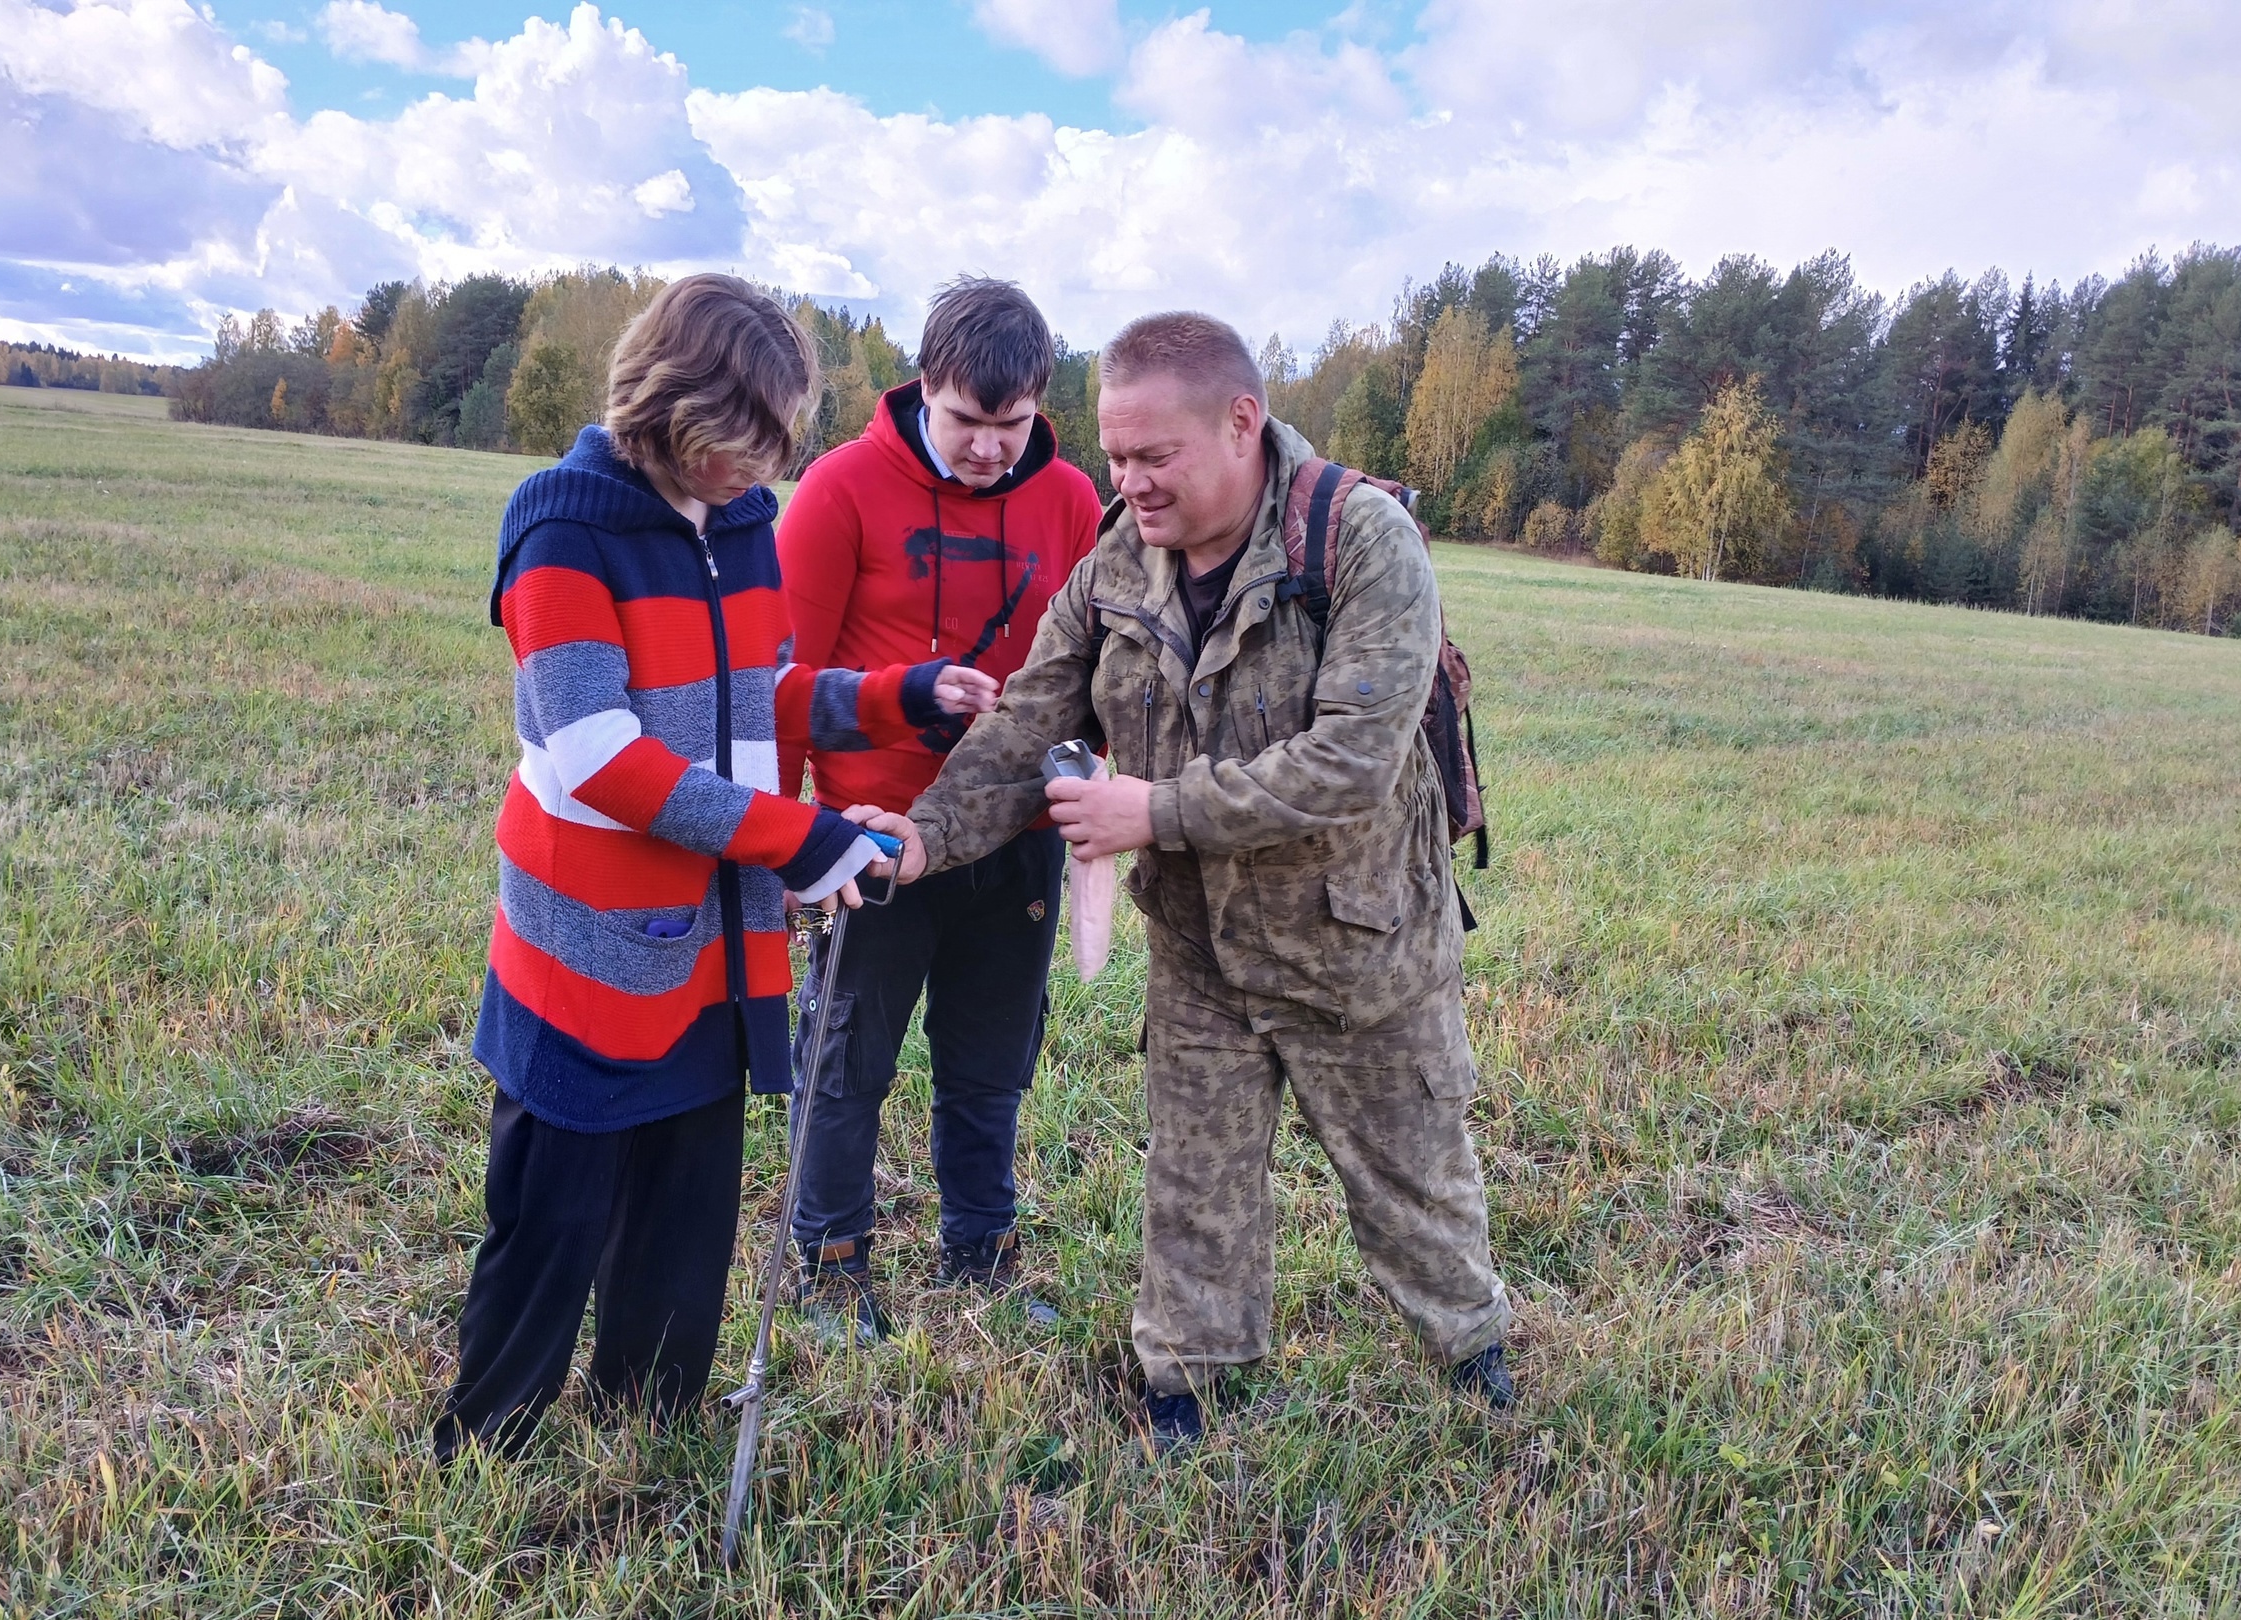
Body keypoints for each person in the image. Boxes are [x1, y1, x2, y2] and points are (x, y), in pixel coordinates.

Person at [855, 310, 1513, 1446]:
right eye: (1115, 456)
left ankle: (1470, 1357)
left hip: (1358, 940)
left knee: (1416, 1182)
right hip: (1201, 950)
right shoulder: (1117, 557)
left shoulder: (1362, 541)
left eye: (1154, 457)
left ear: (1241, 423)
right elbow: (1026, 725)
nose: (1130, 482)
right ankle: (1186, 1386)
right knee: (1194, 1191)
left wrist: (1150, 813)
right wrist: (918, 839)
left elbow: (1350, 764)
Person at [436, 274, 996, 1460]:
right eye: (742, 438)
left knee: (685, 1217)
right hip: (585, 948)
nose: (763, 465)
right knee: (554, 1215)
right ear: (669, 401)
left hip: (715, 948)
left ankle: (651, 1415)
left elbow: (759, 704)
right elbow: (600, 756)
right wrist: (801, 839)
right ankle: (492, 1441)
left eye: (778, 439)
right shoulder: (563, 526)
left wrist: (888, 696)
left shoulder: (740, 527)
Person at [774, 276, 1102, 1335]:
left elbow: (1097, 664)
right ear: (925, 386)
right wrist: (787, 836)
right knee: (846, 1061)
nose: (987, 449)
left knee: (991, 1058)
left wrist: (1086, 760)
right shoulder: (837, 489)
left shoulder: (1070, 504)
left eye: (1009, 426)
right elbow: (782, 681)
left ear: (1039, 403)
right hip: (871, 839)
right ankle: (829, 1268)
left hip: (1015, 836)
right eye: (966, 421)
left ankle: (981, 1254)